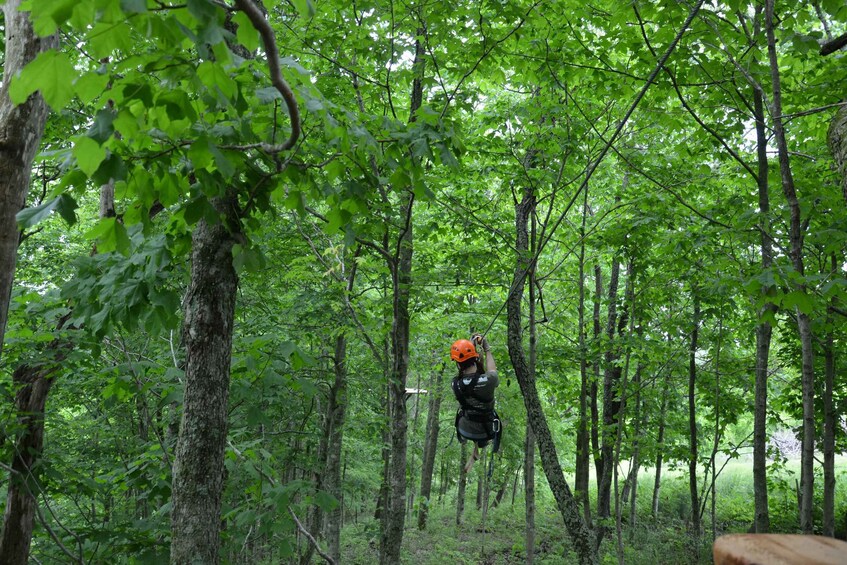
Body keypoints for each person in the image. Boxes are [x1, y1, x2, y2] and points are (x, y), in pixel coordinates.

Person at [451, 333, 502, 473]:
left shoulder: (455, 384)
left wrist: (471, 350)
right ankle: (476, 448)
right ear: (475, 359)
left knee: (473, 413)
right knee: (483, 416)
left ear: (458, 364)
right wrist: (487, 348)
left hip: (465, 429)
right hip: (486, 430)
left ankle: (474, 449)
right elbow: (491, 371)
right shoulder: (489, 380)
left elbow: (470, 377)